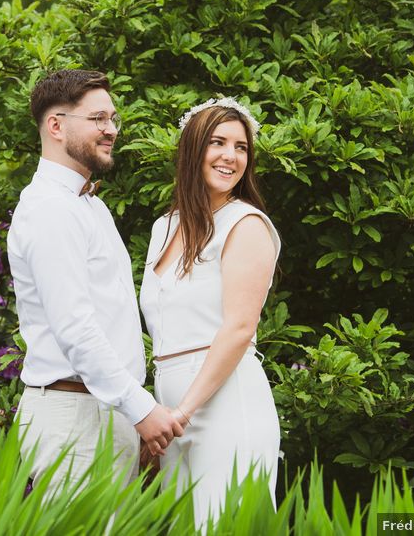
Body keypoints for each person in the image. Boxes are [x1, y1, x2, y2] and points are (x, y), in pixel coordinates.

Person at [8, 69, 184, 495]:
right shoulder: (50, 209)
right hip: (72, 417)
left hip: (104, 411)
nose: (111, 130)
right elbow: (75, 327)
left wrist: (130, 413)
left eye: (113, 120)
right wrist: (142, 409)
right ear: (56, 125)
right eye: (98, 119)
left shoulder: (89, 207)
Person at [139, 97, 282, 525]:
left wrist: (181, 413)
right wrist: (151, 413)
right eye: (218, 142)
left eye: (241, 147)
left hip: (224, 405)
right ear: (192, 150)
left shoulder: (247, 224)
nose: (230, 156)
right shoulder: (163, 227)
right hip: (169, 411)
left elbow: (239, 329)